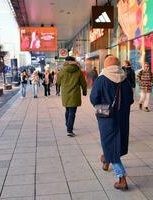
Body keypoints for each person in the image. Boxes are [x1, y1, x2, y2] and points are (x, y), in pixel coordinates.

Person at [90, 55, 134, 190]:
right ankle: (106, 159)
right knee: (114, 142)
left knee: (110, 144)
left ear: (106, 65)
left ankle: (121, 178)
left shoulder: (101, 79)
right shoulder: (125, 79)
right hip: (122, 117)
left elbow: (94, 98)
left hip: (106, 117)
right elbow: (131, 99)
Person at [57, 56, 87, 137]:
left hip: (65, 94)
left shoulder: (62, 71)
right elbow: (83, 82)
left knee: (67, 110)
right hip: (75, 94)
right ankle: (69, 130)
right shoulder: (78, 71)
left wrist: (59, 89)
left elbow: (58, 82)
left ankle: (68, 125)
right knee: (72, 112)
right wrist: (84, 91)